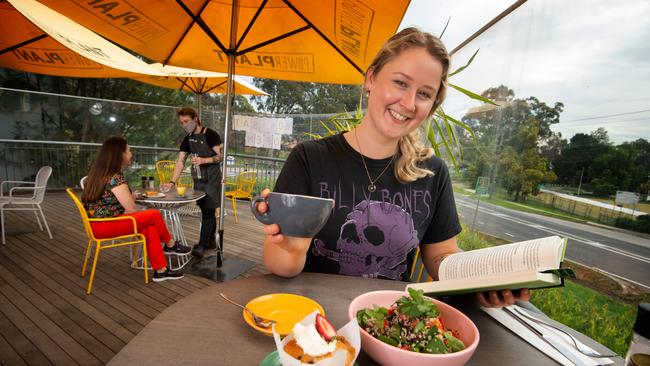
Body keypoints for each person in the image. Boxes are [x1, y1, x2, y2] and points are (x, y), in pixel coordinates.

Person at [256, 27, 529, 307]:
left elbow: (440, 256)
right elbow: (278, 264)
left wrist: (479, 282)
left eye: (424, 93)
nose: (409, 103)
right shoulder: (308, 159)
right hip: (313, 326)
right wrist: (290, 251)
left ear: (432, 105)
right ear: (371, 78)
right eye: (400, 83)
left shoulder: (432, 173)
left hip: (390, 329)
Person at [82, 136, 190, 282]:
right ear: (120, 154)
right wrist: (130, 199)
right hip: (106, 225)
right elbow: (131, 208)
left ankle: (161, 271)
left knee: (150, 228)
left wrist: (127, 200)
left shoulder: (100, 173)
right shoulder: (115, 177)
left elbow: (111, 201)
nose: (131, 154)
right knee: (154, 215)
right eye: (129, 150)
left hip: (99, 224)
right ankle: (171, 245)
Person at [161, 107, 223, 258]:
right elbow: (180, 161)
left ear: (196, 118)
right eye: (181, 122)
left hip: (213, 178)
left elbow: (221, 156)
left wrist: (205, 160)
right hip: (199, 179)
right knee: (206, 208)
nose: (184, 125)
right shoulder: (187, 139)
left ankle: (201, 245)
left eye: (186, 121)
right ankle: (210, 241)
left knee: (208, 210)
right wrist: (172, 182)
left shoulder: (210, 134)